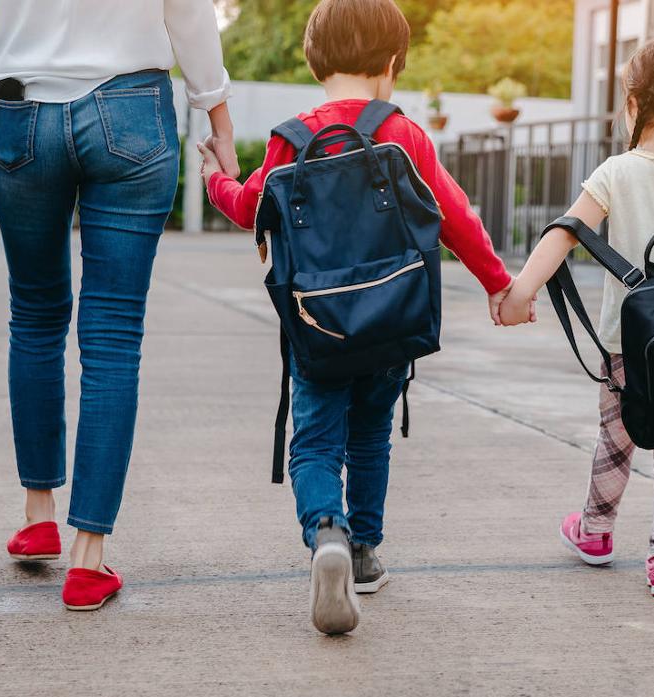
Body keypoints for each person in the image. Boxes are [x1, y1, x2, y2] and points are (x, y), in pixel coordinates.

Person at [0, 0, 237, 611]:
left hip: (21, 112)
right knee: (112, 335)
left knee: (35, 315)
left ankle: (38, 516)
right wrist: (218, 117)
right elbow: (187, 11)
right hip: (133, 111)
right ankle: (88, 559)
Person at [199, 0, 512, 633]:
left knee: (315, 441)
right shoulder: (403, 134)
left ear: (315, 61)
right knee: (370, 435)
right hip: (393, 322)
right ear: (393, 64)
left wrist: (214, 178)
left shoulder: (293, 138)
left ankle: (327, 533)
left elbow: (248, 208)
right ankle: (365, 553)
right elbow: (456, 218)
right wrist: (500, 284)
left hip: (317, 327)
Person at [498, 37, 654, 598]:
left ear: (632, 103)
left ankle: (597, 531)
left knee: (616, 438)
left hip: (627, 343)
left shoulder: (616, 171)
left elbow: (566, 231)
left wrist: (521, 292)